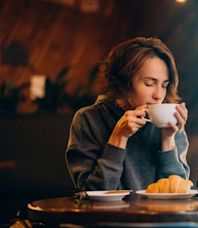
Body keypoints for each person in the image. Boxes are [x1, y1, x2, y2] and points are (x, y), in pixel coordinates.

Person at [65, 37, 190, 191]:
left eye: (164, 85)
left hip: (158, 215)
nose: (159, 95)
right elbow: (91, 193)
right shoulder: (88, 120)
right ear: (123, 82)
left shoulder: (170, 122)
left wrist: (168, 140)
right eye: (149, 83)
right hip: (107, 216)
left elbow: (177, 192)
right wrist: (119, 137)